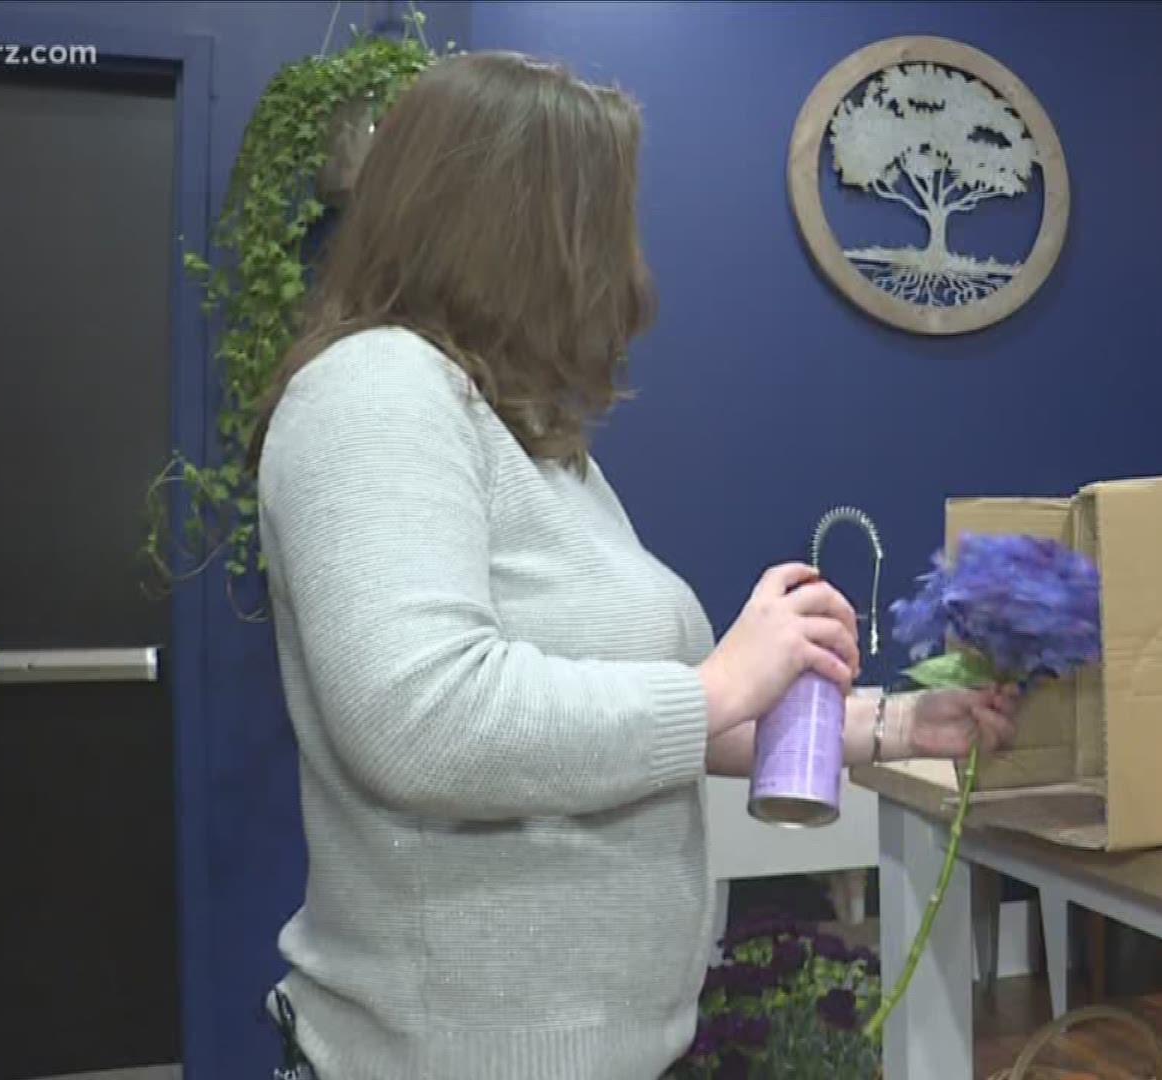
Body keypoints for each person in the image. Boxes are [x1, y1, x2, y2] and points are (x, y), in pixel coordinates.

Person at [246, 50, 1019, 1080]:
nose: (624, 256)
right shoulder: (373, 393)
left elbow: (632, 728)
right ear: (523, 225)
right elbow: (419, 719)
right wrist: (716, 684)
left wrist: (889, 726)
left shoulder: (527, 444)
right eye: (605, 217)